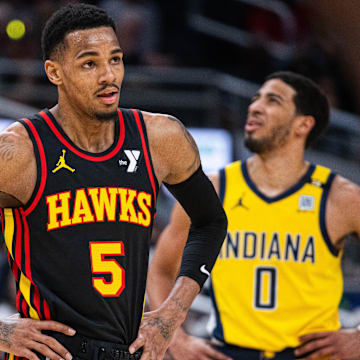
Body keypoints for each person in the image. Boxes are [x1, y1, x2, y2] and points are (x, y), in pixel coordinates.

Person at [0, 3, 227, 360]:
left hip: (127, 351)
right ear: (54, 72)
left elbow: (211, 220)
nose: (108, 75)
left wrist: (172, 313)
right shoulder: (19, 153)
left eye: (116, 59)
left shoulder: (159, 138)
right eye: (90, 63)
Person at [147, 71, 360, 360]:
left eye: (273, 100)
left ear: (303, 124)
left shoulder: (341, 197)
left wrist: (357, 338)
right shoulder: (213, 189)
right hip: (230, 351)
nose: (255, 107)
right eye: (255, 98)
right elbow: (160, 269)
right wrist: (176, 338)